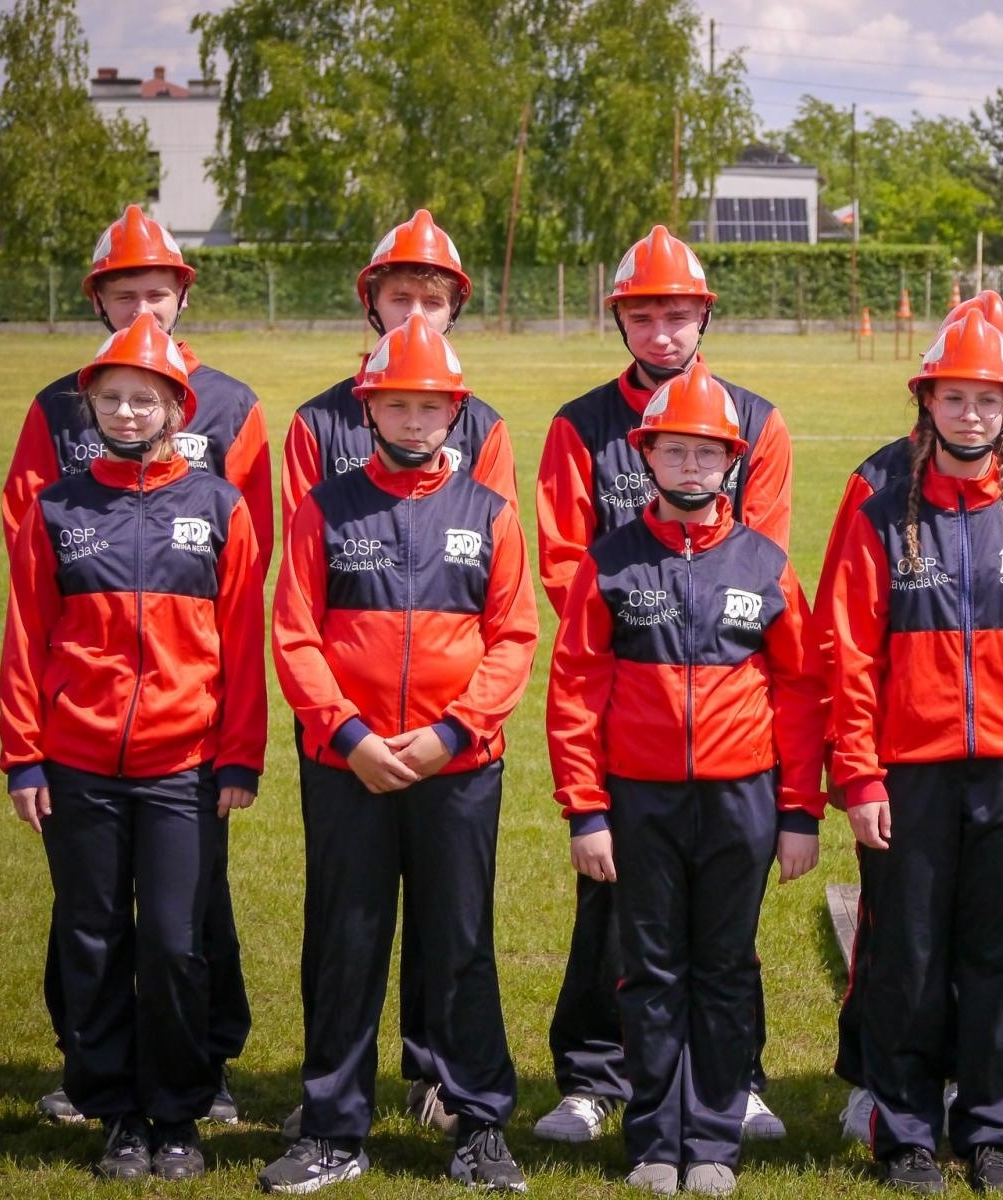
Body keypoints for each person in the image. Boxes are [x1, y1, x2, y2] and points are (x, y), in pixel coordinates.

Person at [0, 204, 267, 1126]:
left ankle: (207, 1065)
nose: (143, 310)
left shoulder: (230, 404)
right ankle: (93, 1070)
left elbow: (245, 561)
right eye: (125, 297)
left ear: (182, 297)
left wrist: (236, 742)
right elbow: (27, 544)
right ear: (100, 302)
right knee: (90, 915)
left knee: (192, 918)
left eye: (158, 293)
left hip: (185, 731)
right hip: (85, 711)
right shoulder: (59, 406)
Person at [534, 225, 793, 1144]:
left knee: (726, 919)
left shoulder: (755, 421)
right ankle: (596, 1075)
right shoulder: (579, 425)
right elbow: (567, 560)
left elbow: (759, 563)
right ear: (622, 320)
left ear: (703, 316)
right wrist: (632, 631)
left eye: (678, 314)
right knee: (611, 907)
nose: (662, 330)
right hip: (627, 693)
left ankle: (736, 1078)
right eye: (644, 314)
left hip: (725, 712)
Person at [266, 316, 537, 1194]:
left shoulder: (490, 513)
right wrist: (350, 736)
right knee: (347, 942)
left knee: (459, 942)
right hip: (348, 768)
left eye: (431, 406)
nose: (415, 420)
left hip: (457, 767)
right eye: (398, 404)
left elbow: (514, 637)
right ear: (369, 407)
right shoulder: (324, 507)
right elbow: (295, 633)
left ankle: (479, 1123)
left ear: (455, 413)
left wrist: (451, 733)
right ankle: (334, 1128)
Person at [827, 312, 1003, 1194]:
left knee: (997, 959)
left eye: (988, 399)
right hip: (908, 776)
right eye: (956, 396)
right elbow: (850, 650)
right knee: (907, 956)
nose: (972, 414)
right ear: (927, 399)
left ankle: (991, 1135)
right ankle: (905, 1133)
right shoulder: (877, 501)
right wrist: (860, 771)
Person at [547, 363, 823, 1195]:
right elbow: (574, 690)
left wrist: (800, 809)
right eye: (676, 452)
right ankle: (652, 1141)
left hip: (742, 799)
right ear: (648, 458)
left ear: (731, 462)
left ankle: (710, 1139)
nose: (693, 467)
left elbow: (802, 690)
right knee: (652, 969)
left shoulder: (766, 563)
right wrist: (587, 810)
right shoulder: (611, 563)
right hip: (641, 798)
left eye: (709, 453)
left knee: (726, 965)